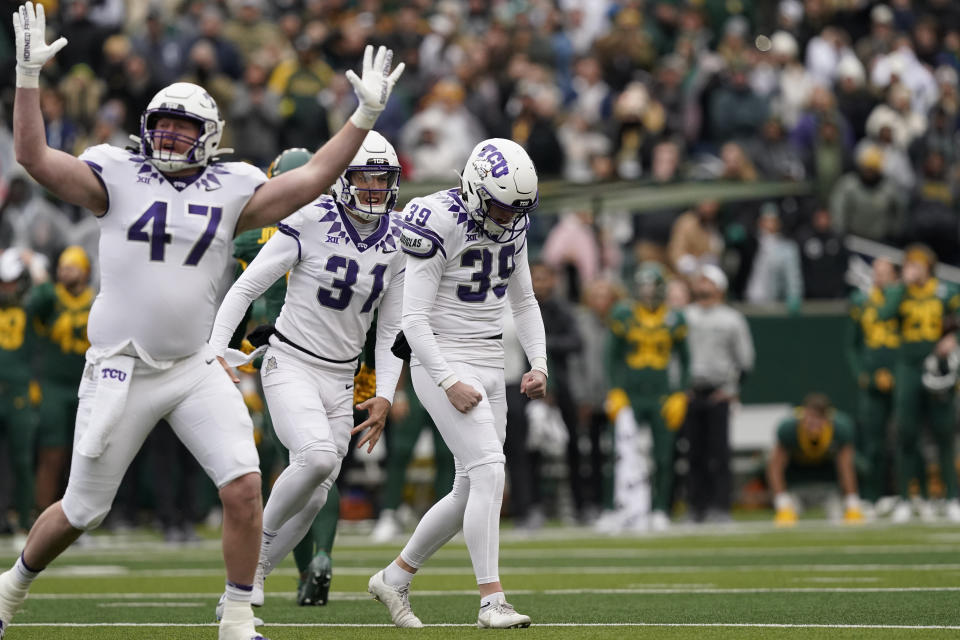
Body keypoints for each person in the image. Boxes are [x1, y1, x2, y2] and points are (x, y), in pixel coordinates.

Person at [0, 5, 403, 639]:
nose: (169, 139)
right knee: (82, 509)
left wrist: (365, 117)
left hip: (190, 366)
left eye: (183, 130)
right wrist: (27, 79)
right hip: (121, 364)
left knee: (243, 487)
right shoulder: (116, 172)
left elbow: (318, 177)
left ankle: (238, 620)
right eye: (160, 126)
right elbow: (33, 156)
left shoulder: (232, 185)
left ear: (210, 136)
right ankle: (11, 586)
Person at [208, 130, 407, 620]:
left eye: (384, 180)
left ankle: (241, 588)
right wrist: (215, 349)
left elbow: (391, 329)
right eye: (366, 178)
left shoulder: (398, 237)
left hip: (342, 379)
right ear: (343, 180)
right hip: (290, 361)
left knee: (317, 494)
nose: (376, 189)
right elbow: (247, 284)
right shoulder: (311, 218)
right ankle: (250, 569)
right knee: (316, 459)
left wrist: (383, 393)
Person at [368, 138, 547, 629]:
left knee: (470, 487)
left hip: (490, 354)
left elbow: (525, 300)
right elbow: (413, 319)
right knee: (490, 469)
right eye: (499, 204)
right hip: (442, 354)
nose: (507, 216)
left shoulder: (514, 222)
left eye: (516, 208)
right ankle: (492, 600)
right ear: (472, 187)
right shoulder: (436, 218)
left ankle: (395, 577)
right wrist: (447, 379)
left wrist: (539, 362)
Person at [874, 245, 960, 523]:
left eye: (920, 264)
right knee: (905, 434)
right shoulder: (899, 291)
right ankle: (906, 497)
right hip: (908, 368)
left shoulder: (945, 290)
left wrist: (953, 339)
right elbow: (884, 315)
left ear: (930, 266)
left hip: (937, 366)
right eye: (911, 264)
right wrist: (902, 286)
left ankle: (951, 498)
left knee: (944, 433)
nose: (916, 268)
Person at [605, 262, 689, 531]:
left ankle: (661, 508)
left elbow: (686, 360)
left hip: (660, 395)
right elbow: (611, 356)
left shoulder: (675, 318)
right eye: (643, 286)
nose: (647, 292)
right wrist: (616, 389)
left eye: (652, 287)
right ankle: (614, 508)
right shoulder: (623, 314)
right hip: (630, 394)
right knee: (618, 453)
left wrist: (679, 393)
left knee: (664, 456)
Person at [684, 265, 755, 523]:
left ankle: (721, 506)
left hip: (718, 392)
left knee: (719, 453)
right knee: (694, 453)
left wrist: (730, 390)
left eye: (708, 281)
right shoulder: (685, 316)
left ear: (719, 287)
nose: (702, 286)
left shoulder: (731, 319)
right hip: (691, 391)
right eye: (700, 281)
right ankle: (696, 507)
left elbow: (745, 360)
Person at [30, 246, 95, 512]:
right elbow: (36, 302)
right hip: (54, 387)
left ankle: (79, 514)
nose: (64, 272)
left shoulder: (95, 300)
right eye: (62, 267)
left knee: (84, 455)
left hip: (87, 386)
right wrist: (38, 270)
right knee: (52, 453)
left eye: (71, 267)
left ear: (85, 271)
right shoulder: (51, 298)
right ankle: (43, 511)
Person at [846, 258, 899, 511]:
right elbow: (852, 344)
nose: (879, 277)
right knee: (872, 442)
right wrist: (863, 375)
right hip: (872, 381)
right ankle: (872, 495)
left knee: (906, 437)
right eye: (876, 272)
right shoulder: (861, 301)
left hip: (901, 378)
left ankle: (908, 495)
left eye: (885, 272)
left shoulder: (903, 299)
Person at [767, 393, 864, 526]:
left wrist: (852, 503)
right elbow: (775, 467)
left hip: (829, 490)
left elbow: (846, 467)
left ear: (827, 419)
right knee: (786, 523)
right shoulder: (789, 430)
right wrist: (782, 501)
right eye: (810, 418)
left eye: (818, 419)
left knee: (839, 521)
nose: (813, 424)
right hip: (796, 489)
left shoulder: (840, 429)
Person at [0, 250, 39, 535]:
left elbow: (50, 292)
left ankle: (26, 518)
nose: (7, 288)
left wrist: (33, 263)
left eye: (12, 282)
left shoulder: (31, 306)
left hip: (19, 392)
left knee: (23, 459)